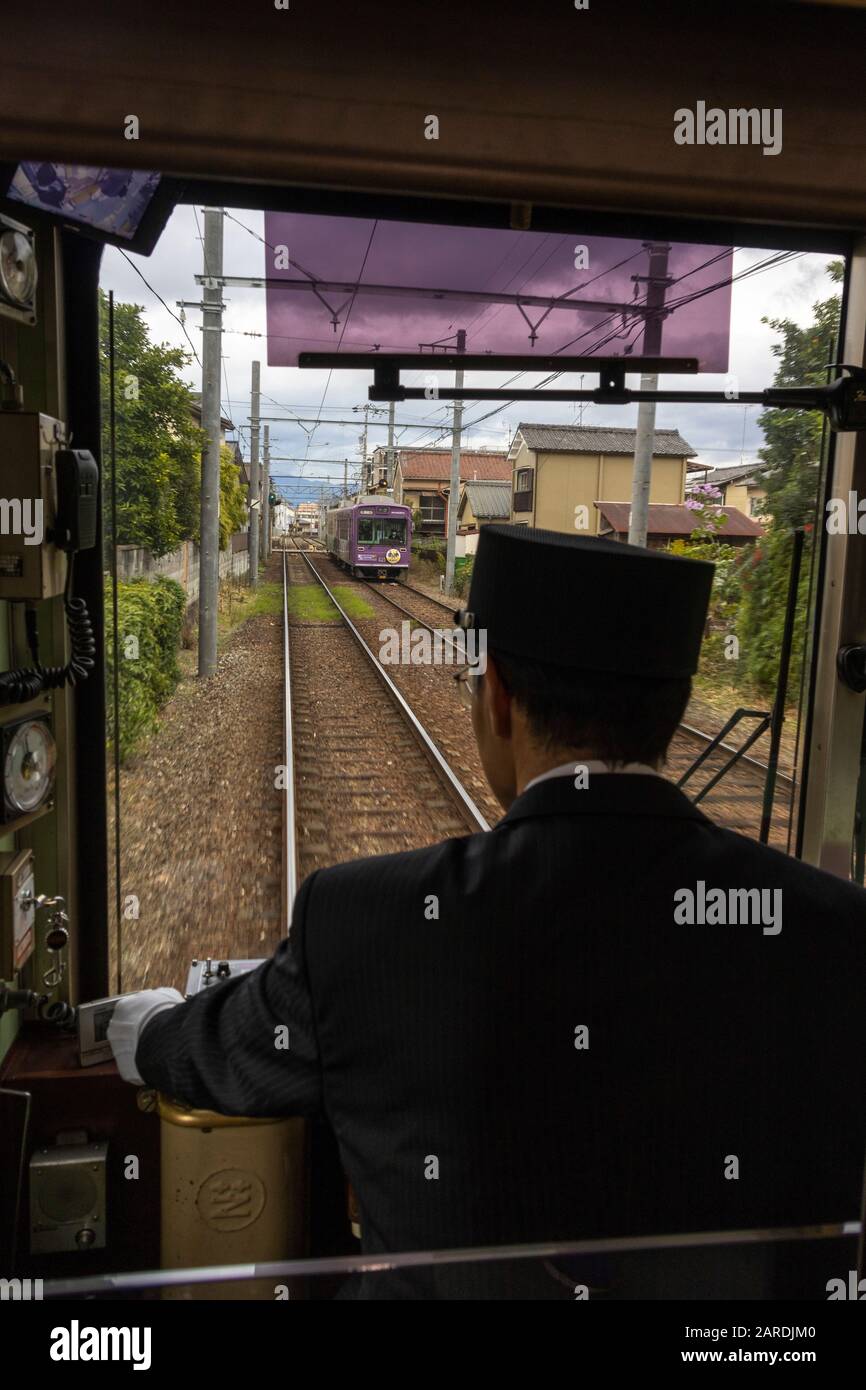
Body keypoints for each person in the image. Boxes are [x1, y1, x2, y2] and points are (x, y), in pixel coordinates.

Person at [109, 525, 866, 1298]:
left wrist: (140, 1025)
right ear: (673, 711)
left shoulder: (364, 921)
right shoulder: (837, 930)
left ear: (497, 696)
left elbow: (210, 1057)